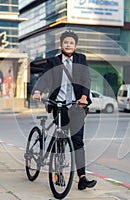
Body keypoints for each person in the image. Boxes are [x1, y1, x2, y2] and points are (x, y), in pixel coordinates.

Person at [32, 30, 97, 190]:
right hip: (58, 104)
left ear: (75, 45)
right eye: (65, 42)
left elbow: (86, 78)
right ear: (61, 44)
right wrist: (38, 91)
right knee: (60, 137)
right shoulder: (53, 61)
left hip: (76, 105)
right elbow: (44, 77)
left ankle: (82, 177)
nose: (68, 45)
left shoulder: (81, 59)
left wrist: (84, 97)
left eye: (71, 43)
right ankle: (58, 172)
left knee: (77, 141)